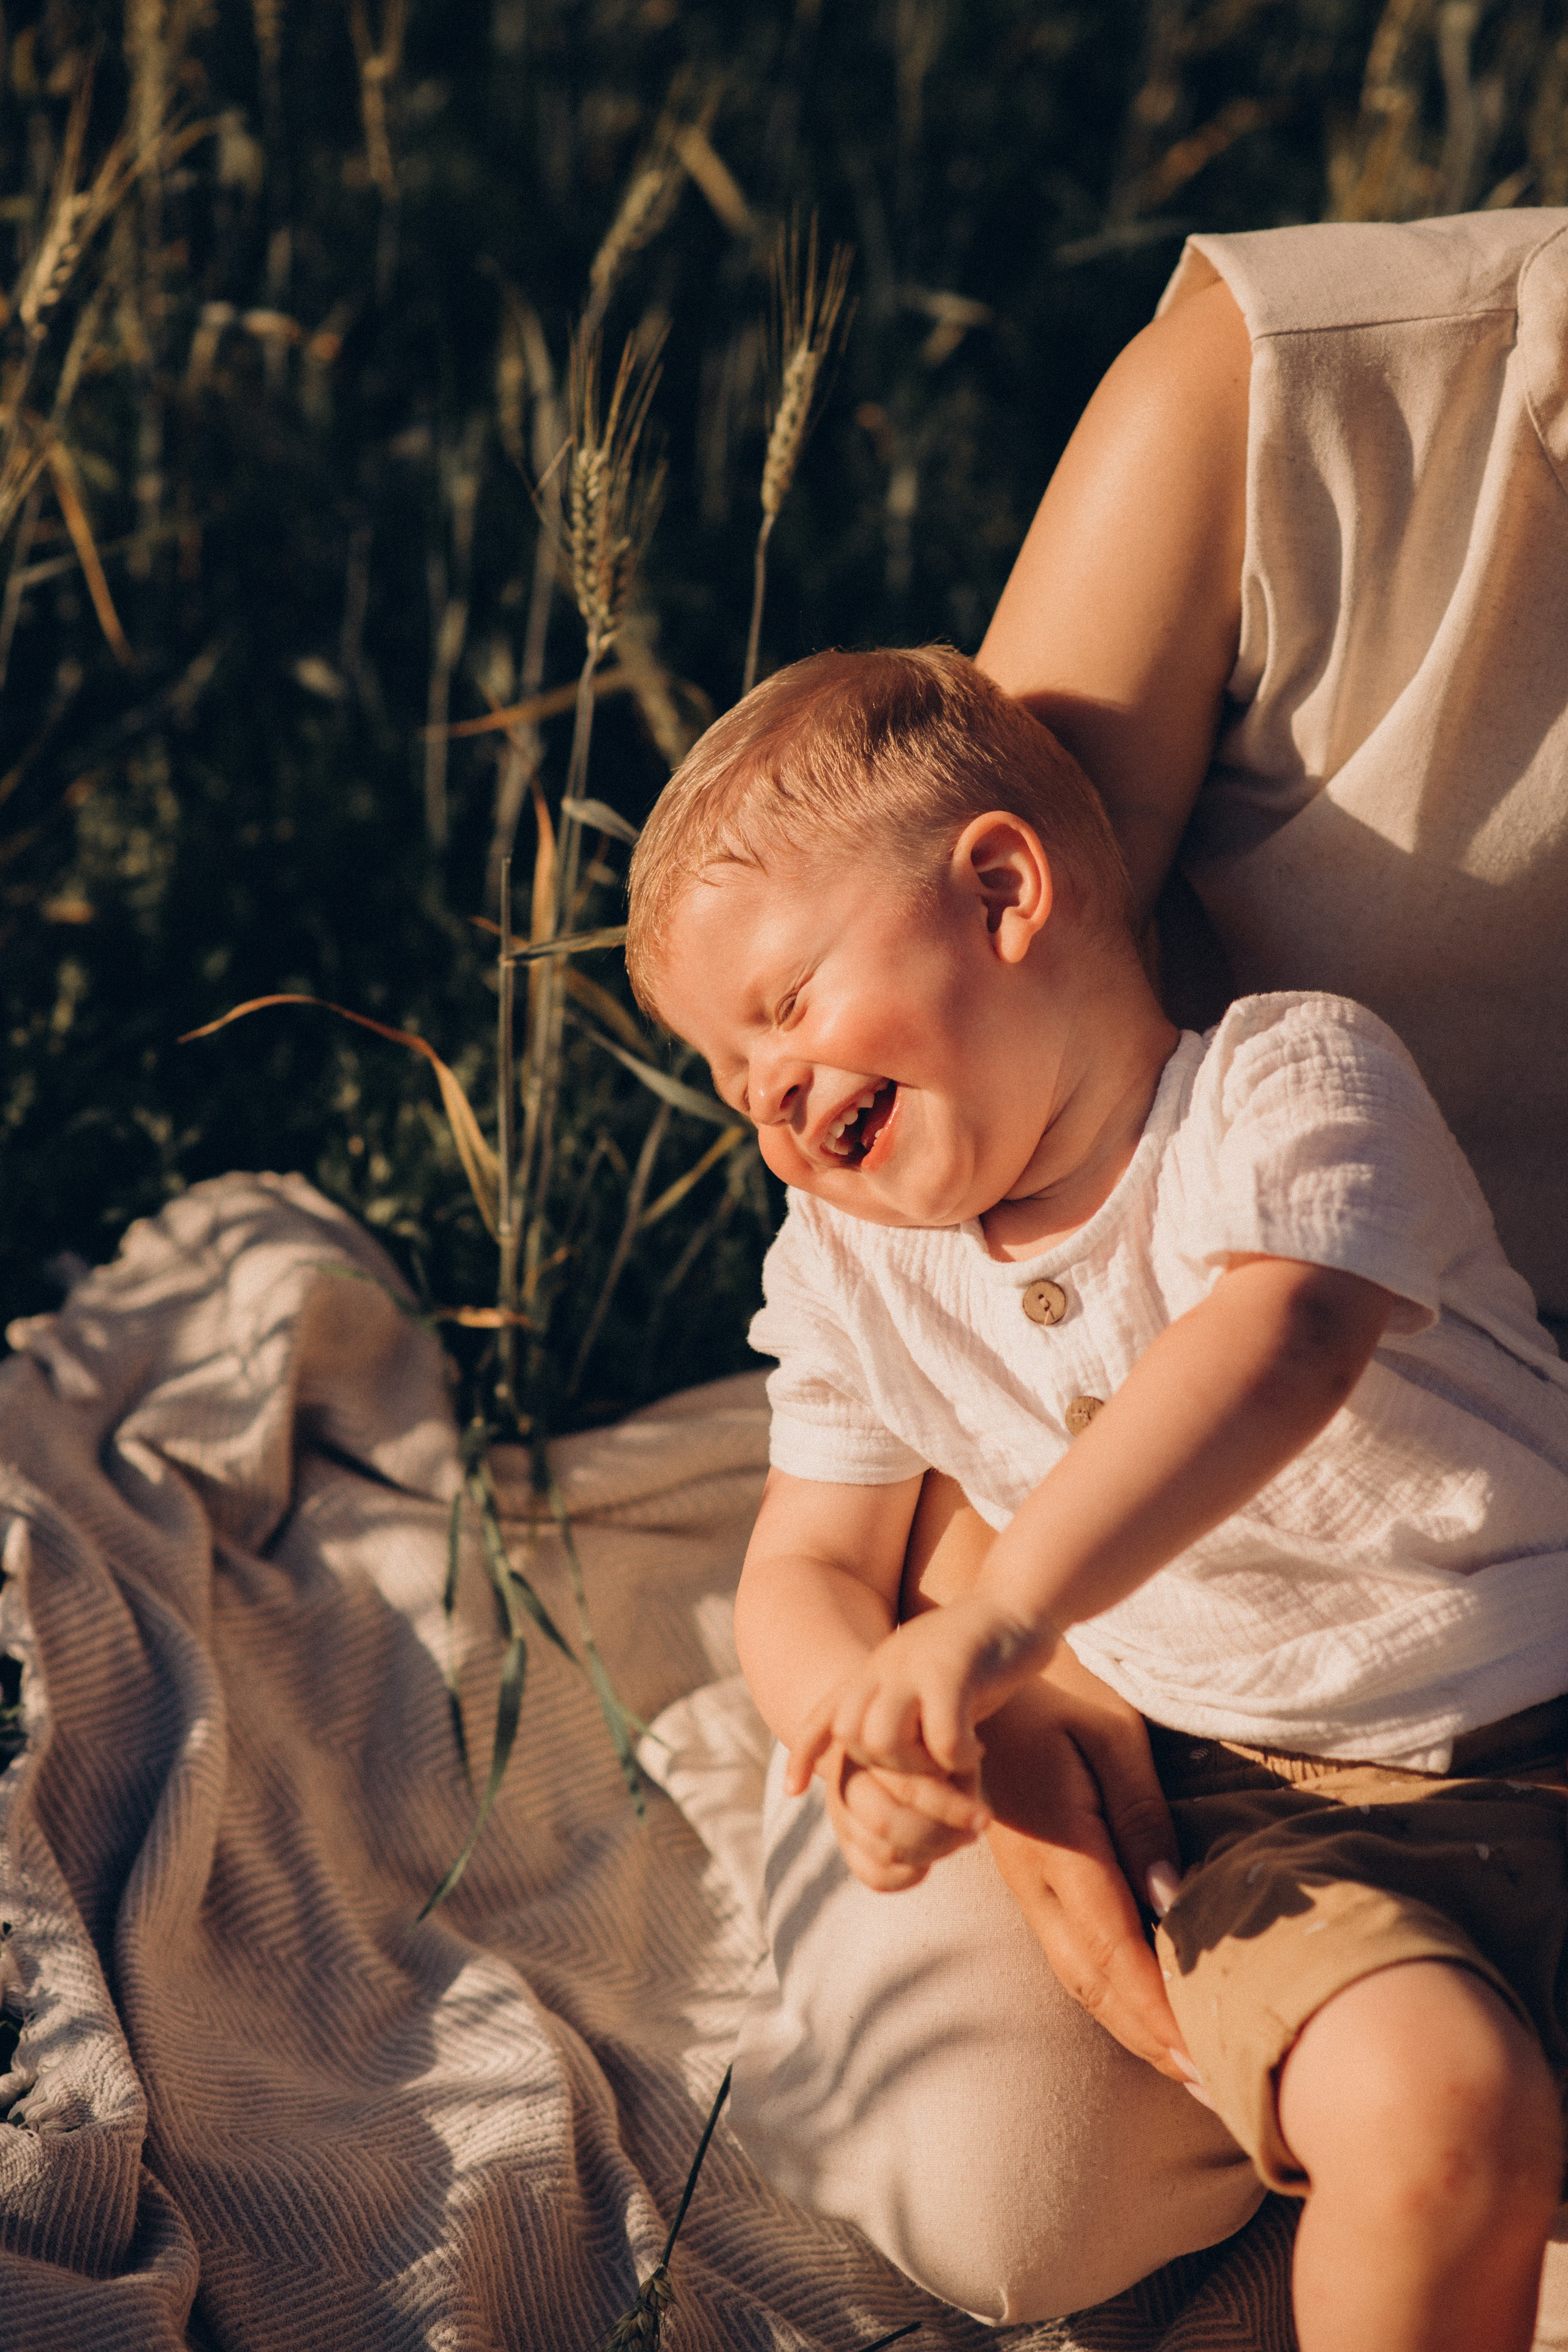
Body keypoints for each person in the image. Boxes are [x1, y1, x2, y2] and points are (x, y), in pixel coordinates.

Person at [624, 643, 1568, 2352]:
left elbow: (1277, 1346)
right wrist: (861, 1722)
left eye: (784, 1011)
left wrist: (999, 1614)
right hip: (1283, 1812)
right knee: (1435, 2119)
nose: (766, 1098)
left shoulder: (1286, 1084)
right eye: (725, 1074)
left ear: (999, 891)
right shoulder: (850, 1271)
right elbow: (811, 1557)